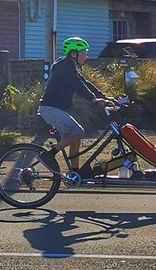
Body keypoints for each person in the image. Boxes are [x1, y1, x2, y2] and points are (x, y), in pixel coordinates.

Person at [37, 37, 118, 173]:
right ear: (74, 53)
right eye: (84, 53)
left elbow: (85, 83)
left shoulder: (71, 66)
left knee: (75, 138)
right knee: (78, 132)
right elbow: (77, 85)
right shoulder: (66, 67)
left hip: (57, 109)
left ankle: (75, 171)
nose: (86, 57)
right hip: (51, 109)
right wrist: (94, 100)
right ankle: (48, 155)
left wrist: (103, 97)